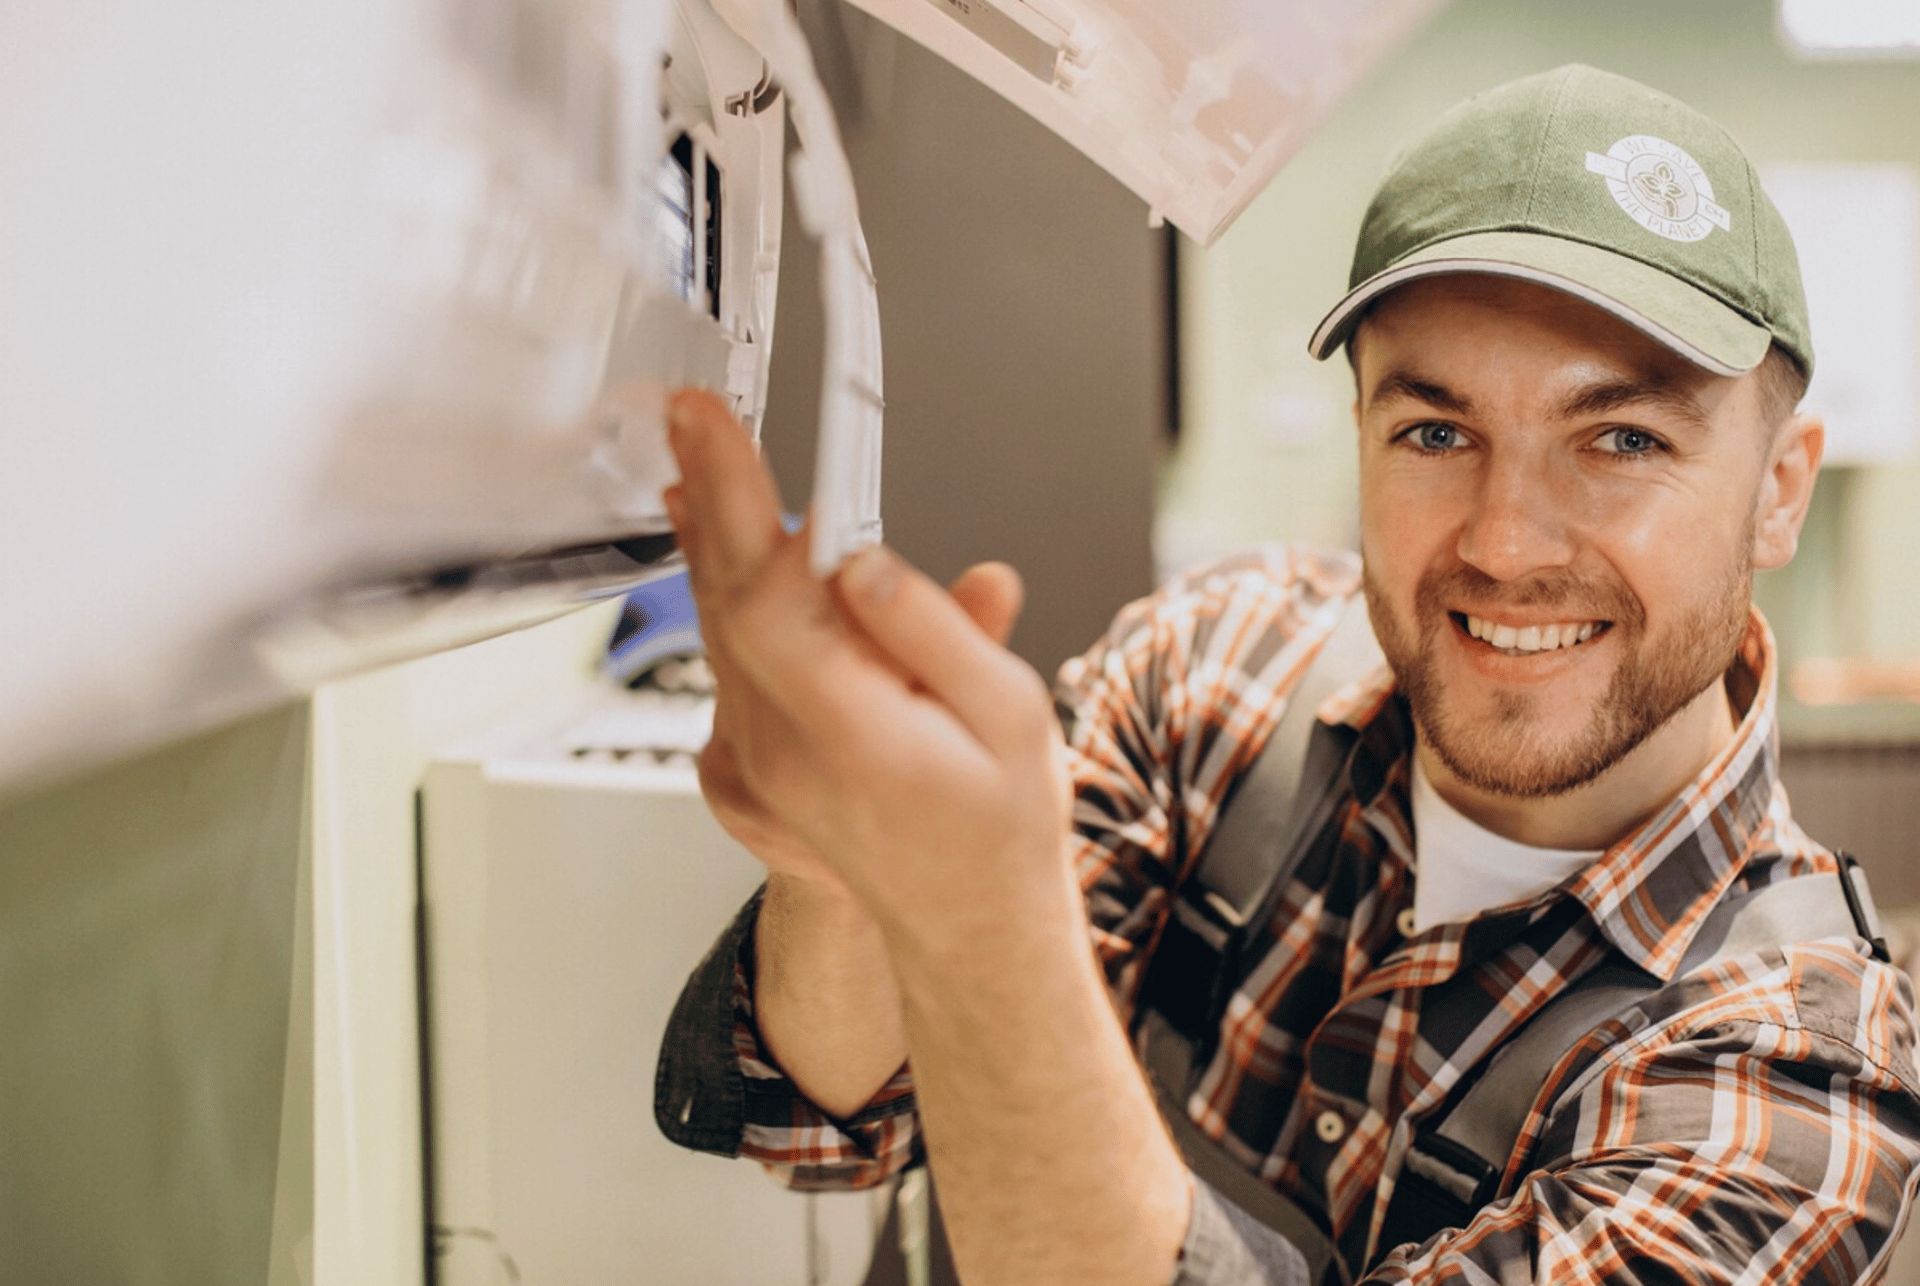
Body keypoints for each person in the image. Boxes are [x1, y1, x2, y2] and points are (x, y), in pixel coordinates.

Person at [653, 64, 1920, 1285]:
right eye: (1435, 431)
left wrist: (980, 916)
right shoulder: (1217, 668)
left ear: (1779, 492)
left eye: (1623, 438)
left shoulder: (1793, 1079)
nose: (1504, 541)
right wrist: (845, 869)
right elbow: (824, 1117)